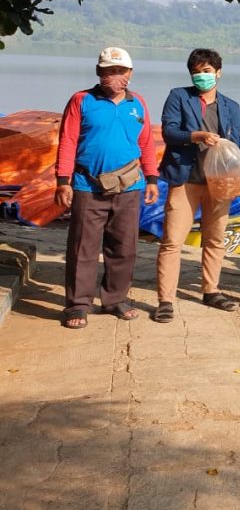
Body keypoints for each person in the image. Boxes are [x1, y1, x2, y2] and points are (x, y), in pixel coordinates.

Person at [54, 47, 160, 328]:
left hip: (129, 185)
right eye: (109, 71)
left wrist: (151, 178)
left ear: (130, 74)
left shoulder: (138, 103)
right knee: (82, 247)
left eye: (121, 71)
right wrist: (63, 181)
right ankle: (78, 304)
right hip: (87, 184)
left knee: (124, 247)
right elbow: (67, 140)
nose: (115, 76)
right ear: (99, 73)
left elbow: (146, 142)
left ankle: (115, 299)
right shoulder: (82, 100)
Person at [155, 48, 240, 322]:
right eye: (196, 72)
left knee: (215, 239)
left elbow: (236, 143)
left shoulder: (231, 106)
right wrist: (197, 136)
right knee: (172, 241)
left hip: (218, 181)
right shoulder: (179, 96)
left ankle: (211, 290)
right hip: (185, 179)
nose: (201, 76)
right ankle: (166, 299)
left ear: (218, 72)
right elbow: (169, 132)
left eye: (206, 71)